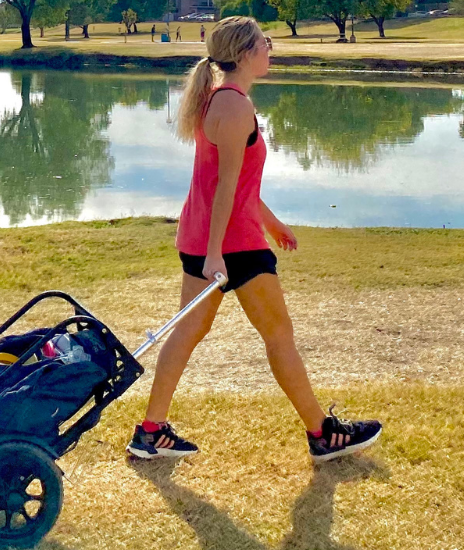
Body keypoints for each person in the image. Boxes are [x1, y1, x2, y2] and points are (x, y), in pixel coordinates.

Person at [126, 16, 382, 463]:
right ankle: (323, 434)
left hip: (210, 236)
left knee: (189, 332)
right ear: (245, 53)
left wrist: (272, 222)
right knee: (279, 335)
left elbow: (236, 182)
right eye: (265, 42)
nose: (271, 48)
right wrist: (214, 256)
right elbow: (225, 186)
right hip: (230, 246)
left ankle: (150, 432)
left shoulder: (219, 99)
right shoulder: (234, 106)